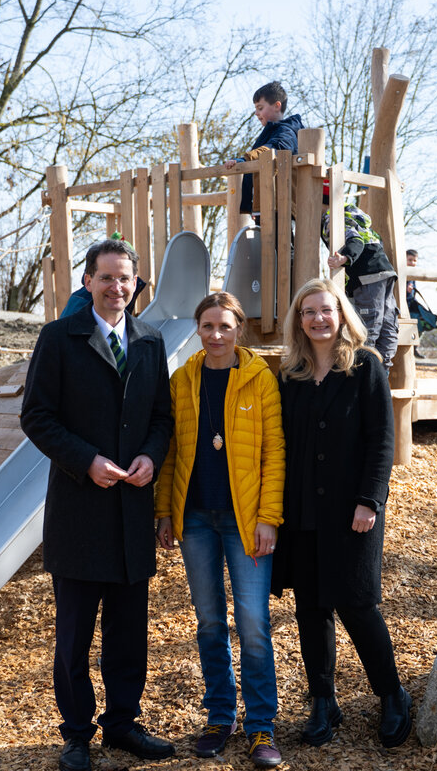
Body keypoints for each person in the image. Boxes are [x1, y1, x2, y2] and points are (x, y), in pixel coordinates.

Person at [20, 239, 175, 771]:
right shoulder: (59, 338)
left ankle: (123, 724)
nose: (116, 287)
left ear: (135, 284)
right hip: (79, 511)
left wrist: (152, 456)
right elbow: (36, 416)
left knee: (129, 634)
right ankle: (77, 735)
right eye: (106, 277)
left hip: (131, 511)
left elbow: (162, 418)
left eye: (125, 278)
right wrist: (85, 460)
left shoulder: (150, 340)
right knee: (75, 637)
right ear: (87, 282)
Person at [270, 279, 413, 750]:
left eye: (326, 310)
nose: (318, 319)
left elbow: (381, 442)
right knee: (311, 609)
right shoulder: (290, 375)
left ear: (341, 314)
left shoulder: (365, 366)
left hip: (353, 511)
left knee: (357, 605)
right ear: (299, 320)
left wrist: (370, 500)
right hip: (302, 511)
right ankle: (323, 701)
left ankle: (391, 694)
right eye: (308, 311)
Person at [155, 292, 285, 767]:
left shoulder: (259, 379)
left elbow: (274, 453)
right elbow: (171, 451)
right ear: (198, 329)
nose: (215, 335)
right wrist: (164, 512)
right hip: (196, 519)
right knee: (210, 621)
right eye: (207, 326)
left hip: (245, 520)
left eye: (224, 326)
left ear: (239, 329)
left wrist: (269, 518)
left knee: (253, 623)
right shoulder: (182, 380)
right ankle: (220, 715)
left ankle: (261, 725)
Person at [324, 204, 398, 366]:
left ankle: (366, 365)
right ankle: (384, 366)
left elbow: (355, 241)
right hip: (386, 273)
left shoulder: (338, 223)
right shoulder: (365, 227)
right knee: (387, 321)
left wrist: (344, 258)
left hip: (367, 277)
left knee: (369, 323)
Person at [224, 81, 305, 216]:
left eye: (260, 108)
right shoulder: (269, 133)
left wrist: (246, 159)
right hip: (267, 203)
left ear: (277, 106)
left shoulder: (286, 131)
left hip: (279, 206)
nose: (256, 113)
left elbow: (277, 147)